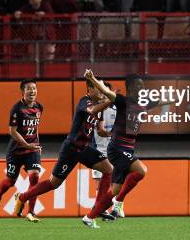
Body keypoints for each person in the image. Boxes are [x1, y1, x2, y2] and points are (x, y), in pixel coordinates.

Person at [13, 79, 115, 228]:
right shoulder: (84, 102)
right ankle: (22, 196)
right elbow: (92, 111)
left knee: (109, 169)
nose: (101, 91)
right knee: (54, 183)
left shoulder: (99, 108)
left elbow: (99, 129)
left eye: (102, 89)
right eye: (98, 89)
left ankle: (97, 208)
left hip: (85, 148)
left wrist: (112, 133)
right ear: (90, 90)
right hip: (71, 149)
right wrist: (110, 99)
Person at [83, 70, 159, 218]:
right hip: (118, 148)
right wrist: (92, 78)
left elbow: (164, 101)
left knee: (114, 190)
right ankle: (118, 202)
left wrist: (189, 96)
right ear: (130, 88)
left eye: (143, 86)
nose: (141, 89)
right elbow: (106, 91)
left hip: (126, 149)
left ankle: (90, 216)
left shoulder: (142, 105)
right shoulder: (122, 101)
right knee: (141, 171)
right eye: (138, 86)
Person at [0, 80, 43, 222]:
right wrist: (27, 144)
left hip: (32, 150)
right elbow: (12, 131)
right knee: (10, 182)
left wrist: (36, 144)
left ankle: (30, 212)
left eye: (34, 88)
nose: (32, 91)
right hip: (16, 151)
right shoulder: (17, 109)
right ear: (23, 92)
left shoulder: (39, 107)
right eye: (29, 89)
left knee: (35, 178)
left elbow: (35, 128)